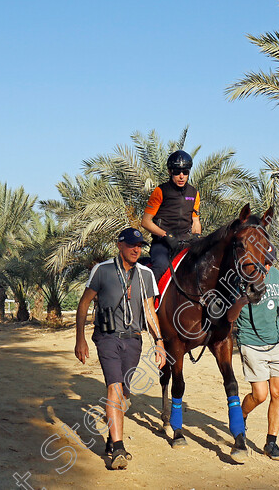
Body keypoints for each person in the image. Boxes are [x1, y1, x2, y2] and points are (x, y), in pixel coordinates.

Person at [74, 227, 167, 470]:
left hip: (133, 339)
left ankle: (111, 436)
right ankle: (118, 449)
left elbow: (149, 311)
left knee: (124, 396)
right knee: (114, 386)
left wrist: (159, 341)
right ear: (119, 245)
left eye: (140, 246)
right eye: (131, 245)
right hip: (107, 338)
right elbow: (83, 305)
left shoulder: (146, 275)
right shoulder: (102, 270)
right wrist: (80, 339)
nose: (137, 250)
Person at [235, 244, 279, 461]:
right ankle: (240, 416)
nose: (268, 266)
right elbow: (229, 310)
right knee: (260, 395)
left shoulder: (275, 274)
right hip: (251, 342)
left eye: (271, 262)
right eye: (265, 262)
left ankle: (271, 443)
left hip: (277, 341)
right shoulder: (240, 278)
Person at [141, 150, 201, 279]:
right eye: (177, 172)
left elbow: (195, 221)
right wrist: (166, 235)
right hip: (163, 244)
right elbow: (145, 222)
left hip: (185, 243)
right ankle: (146, 298)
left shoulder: (194, 194)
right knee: (161, 266)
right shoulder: (160, 191)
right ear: (170, 172)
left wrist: (197, 236)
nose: (181, 176)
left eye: (185, 172)